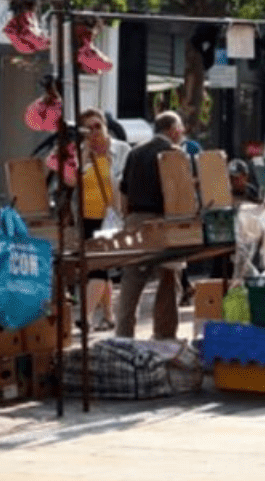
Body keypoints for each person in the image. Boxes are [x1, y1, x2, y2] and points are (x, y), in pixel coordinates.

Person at [115, 111, 186, 339]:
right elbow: (180, 195)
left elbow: (123, 192)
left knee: (131, 281)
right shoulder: (174, 153)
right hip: (164, 222)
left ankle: (123, 335)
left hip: (135, 221)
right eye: (181, 130)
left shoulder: (135, 152)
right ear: (173, 131)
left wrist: (128, 219)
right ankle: (164, 335)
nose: (182, 134)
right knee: (168, 279)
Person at [78, 108, 130, 330]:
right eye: (88, 128)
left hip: (110, 217)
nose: (94, 132)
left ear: (106, 126)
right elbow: (72, 184)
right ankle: (109, 316)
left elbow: (126, 182)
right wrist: (82, 157)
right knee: (98, 268)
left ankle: (86, 316)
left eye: (98, 126)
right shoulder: (82, 152)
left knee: (98, 268)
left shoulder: (121, 150)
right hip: (86, 217)